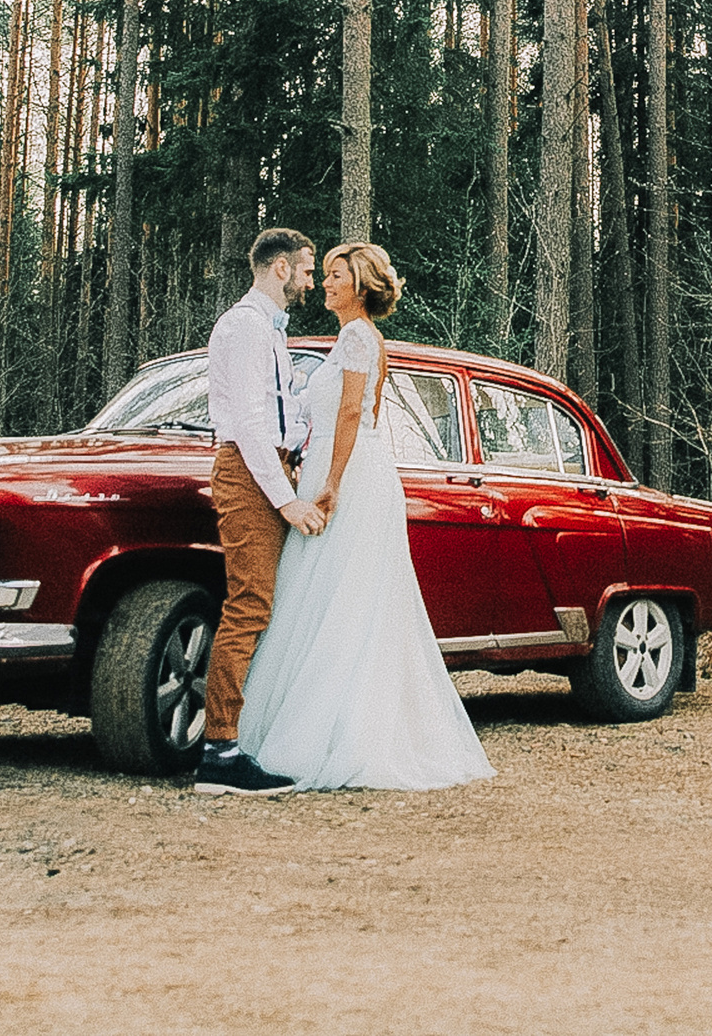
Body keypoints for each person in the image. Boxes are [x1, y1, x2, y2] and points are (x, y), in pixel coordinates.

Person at [234, 242, 496, 792]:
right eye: (323, 275)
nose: (325, 284)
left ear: (361, 284)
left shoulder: (357, 336)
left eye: (336, 276)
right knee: (325, 597)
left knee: (344, 600)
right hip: (335, 465)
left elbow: (354, 411)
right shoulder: (348, 338)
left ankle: (343, 734)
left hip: (349, 476)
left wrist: (330, 483)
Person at [193, 227, 325, 797]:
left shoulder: (269, 331)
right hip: (249, 473)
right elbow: (248, 424)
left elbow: (278, 413)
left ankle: (241, 735)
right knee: (248, 605)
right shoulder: (246, 328)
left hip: (270, 467)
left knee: (263, 604)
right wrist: (286, 497)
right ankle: (219, 751)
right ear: (280, 268)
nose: (312, 280)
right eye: (307, 269)